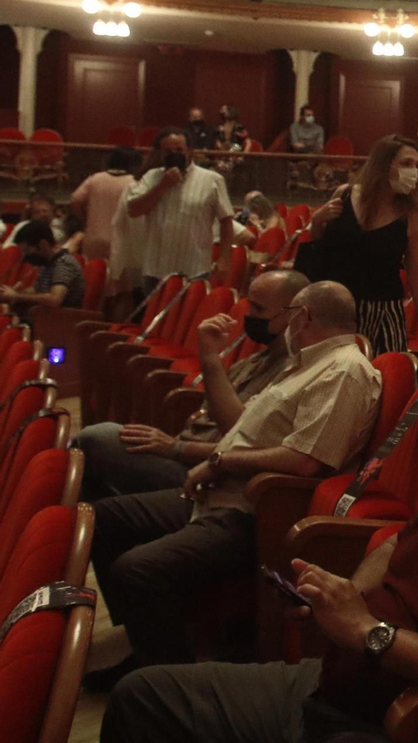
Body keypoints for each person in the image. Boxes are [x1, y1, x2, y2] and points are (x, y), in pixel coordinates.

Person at [99, 320, 418, 741]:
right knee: (140, 697)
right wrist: (348, 598)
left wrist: (370, 633)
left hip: (393, 719)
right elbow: (398, 541)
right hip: (335, 682)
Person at [88, 281, 379, 680]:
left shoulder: (345, 370)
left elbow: (305, 461)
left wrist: (220, 461)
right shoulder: (307, 363)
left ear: (303, 316)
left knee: (135, 570)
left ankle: (169, 686)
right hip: (220, 494)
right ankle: (144, 642)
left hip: (254, 511)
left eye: (288, 314)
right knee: (100, 519)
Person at [75, 270, 306, 501]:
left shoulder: (294, 376)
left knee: (96, 438)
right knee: (91, 454)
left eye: (259, 309)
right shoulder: (256, 360)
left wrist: (175, 447)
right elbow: (210, 415)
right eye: (249, 306)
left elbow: (244, 442)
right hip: (185, 451)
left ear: (292, 315)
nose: (249, 315)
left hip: (208, 475)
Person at [297, 136, 418, 354]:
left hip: (381, 311)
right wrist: (316, 221)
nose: (413, 171)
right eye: (406, 163)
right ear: (383, 164)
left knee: (382, 369)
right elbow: (321, 246)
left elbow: (417, 273)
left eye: (416, 165)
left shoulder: (411, 215)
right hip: (335, 305)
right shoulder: (344, 194)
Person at [126, 128, 233, 291]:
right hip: (155, 270)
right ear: (160, 153)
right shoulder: (151, 177)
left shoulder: (212, 179)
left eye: (179, 150)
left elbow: (226, 221)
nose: (174, 154)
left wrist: (224, 260)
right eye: (168, 151)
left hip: (194, 269)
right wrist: (163, 186)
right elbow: (133, 210)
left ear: (189, 150)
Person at [0, 219, 86, 321]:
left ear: (43, 244)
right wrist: (12, 293)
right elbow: (38, 289)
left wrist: (17, 296)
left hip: (58, 322)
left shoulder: (63, 263)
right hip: (43, 316)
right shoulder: (48, 263)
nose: (25, 255)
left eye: (27, 250)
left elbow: (54, 299)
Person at [69, 145, 141, 262]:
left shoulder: (95, 178)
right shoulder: (134, 182)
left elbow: (75, 200)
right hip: (122, 241)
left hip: (93, 238)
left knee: (92, 271)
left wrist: (85, 220)